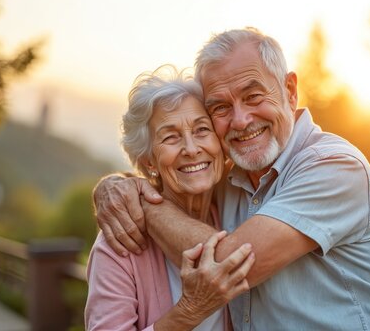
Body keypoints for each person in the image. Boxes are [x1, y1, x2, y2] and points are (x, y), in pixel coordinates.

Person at [93, 28, 370, 330]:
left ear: (289, 90)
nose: (241, 120)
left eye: (254, 96)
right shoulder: (230, 183)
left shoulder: (335, 167)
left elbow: (226, 267)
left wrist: (146, 203)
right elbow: (180, 173)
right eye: (220, 107)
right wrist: (118, 184)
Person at [85, 66, 256, 331]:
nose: (191, 149)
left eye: (202, 130)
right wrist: (189, 312)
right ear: (148, 162)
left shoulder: (237, 205)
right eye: (170, 137)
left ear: (220, 144)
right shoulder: (119, 242)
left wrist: (111, 183)